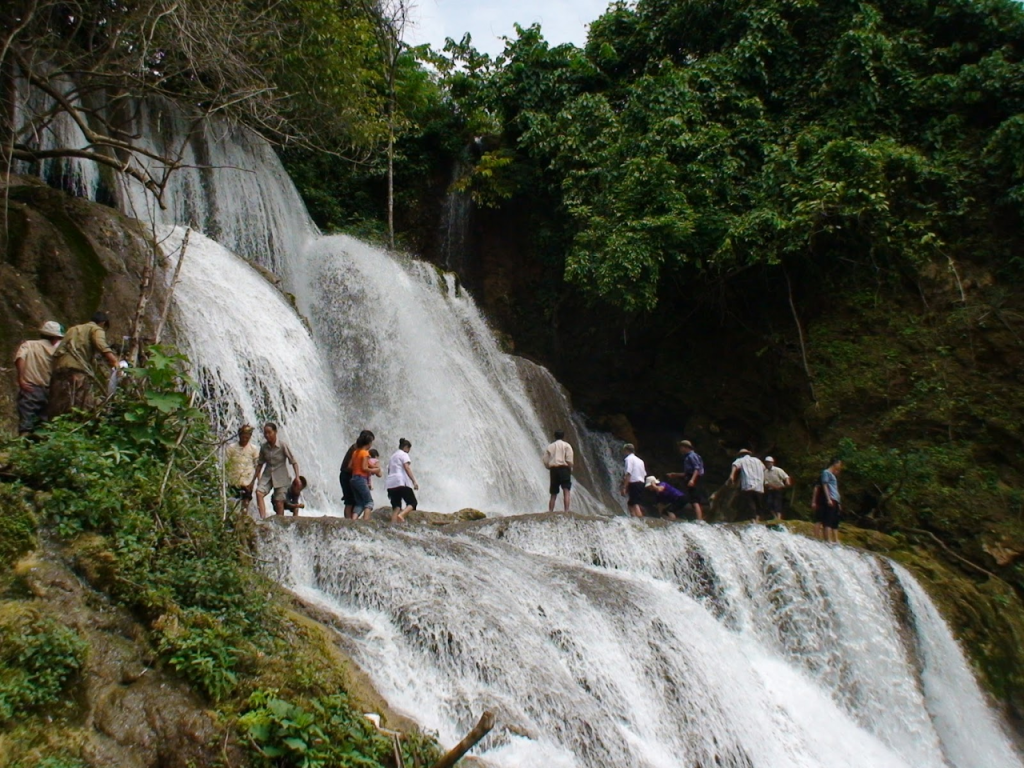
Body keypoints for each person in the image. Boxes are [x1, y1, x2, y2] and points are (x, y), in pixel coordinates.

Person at [48, 312, 120, 418]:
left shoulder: (73, 329)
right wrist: (115, 361)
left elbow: (59, 350)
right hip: (76, 368)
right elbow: (101, 345)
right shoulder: (96, 329)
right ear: (103, 323)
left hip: (61, 367)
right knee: (81, 399)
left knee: (61, 400)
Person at [13, 321, 64, 435]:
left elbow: (20, 358)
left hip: (30, 388)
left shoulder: (29, 345)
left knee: (26, 421)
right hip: (48, 390)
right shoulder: (56, 351)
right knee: (43, 424)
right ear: (54, 337)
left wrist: (21, 379)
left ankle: (21, 448)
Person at [250, 422, 300, 519]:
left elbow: (294, 462)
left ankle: (280, 523)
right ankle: (263, 519)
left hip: (281, 476)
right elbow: (260, 465)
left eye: (269, 432)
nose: (267, 435)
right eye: (265, 433)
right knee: (259, 492)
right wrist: (253, 481)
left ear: (275, 432)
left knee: (279, 501)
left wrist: (297, 477)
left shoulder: (282, 446)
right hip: (267, 475)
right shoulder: (264, 447)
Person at [667, 440, 707, 521]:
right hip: (691, 477)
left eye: (681, 447)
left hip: (694, 479)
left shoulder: (692, 456)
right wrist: (674, 474)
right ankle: (698, 519)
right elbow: (687, 473)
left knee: (695, 500)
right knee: (693, 500)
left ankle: (699, 520)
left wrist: (692, 480)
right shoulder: (688, 457)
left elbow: (697, 469)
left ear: (685, 447)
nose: (680, 449)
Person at [225, 424, 259, 513]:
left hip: (247, 482)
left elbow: (257, 466)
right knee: (231, 505)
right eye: (243, 436)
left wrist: (253, 483)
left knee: (245, 504)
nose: (245, 439)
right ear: (239, 435)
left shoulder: (253, 449)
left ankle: (243, 520)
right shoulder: (231, 448)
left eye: (247, 437)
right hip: (233, 481)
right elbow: (225, 465)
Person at [339, 430, 374, 519]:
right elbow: (353, 466)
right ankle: (349, 521)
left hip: (351, 476)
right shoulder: (358, 449)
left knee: (353, 501)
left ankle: (350, 520)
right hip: (348, 475)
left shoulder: (356, 449)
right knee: (351, 501)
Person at [349, 431, 382, 520]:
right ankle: (365, 522)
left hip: (353, 479)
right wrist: (374, 470)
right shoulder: (365, 453)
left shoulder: (355, 452)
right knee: (369, 502)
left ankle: (353, 520)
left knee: (359, 503)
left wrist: (370, 466)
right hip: (361, 479)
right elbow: (364, 467)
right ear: (368, 443)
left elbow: (350, 466)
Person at [386, 438, 420, 523]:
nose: (408, 451)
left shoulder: (392, 456)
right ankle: (401, 515)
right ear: (406, 447)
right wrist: (414, 481)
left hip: (390, 484)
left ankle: (393, 525)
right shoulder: (404, 454)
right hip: (400, 482)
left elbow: (389, 471)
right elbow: (407, 468)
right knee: (413, 503)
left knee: (396, 506)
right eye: (409, 449)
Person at [542, 429, 574, 513]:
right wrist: (570, 467)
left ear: (554, 436)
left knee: (553, 493)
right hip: (564, 468)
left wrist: (549, 466)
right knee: (566, 490)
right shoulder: (567, 446)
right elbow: (569, 459)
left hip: (554, 469)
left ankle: (550, 511)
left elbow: (545, 459)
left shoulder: (550, 446)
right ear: (563, 436)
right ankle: (566, 511)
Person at [729, 448, 765, 521]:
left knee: (750, 503)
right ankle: (758, 519)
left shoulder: (741, 460)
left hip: (748, 484)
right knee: (758, 503)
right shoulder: (758, 461)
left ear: (741, 455)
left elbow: (735, 465)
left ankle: (753, 519)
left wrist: (732, 475)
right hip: (759, 486)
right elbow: (764, 468)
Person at [814, 457, 843, 543]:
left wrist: (839, 502)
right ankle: (827, 539)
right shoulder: (826, 473)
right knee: (827, 520)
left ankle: (829, 539)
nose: (840, 466)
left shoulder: (832, 475)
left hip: (835, 498)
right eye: (839, 464)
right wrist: (828, 498)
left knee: (831, 520)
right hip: (831, 498)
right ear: (835, 463)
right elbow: (825, 485)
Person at [620, 443, 647, 518]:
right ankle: (634, 518)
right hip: (641, 483)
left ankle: (640, 520)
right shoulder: (640, 461)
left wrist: (624, 487)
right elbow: (644, 474)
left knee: (635, 503)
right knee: (631, 503)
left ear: (626, 450)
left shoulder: (629, 459)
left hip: (634, 483)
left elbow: (628, 473)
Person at [762, 456, 792, 521]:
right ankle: (774, 516)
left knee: (777, 502)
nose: (768, 464)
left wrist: (787, 482)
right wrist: (774, 487)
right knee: (769, 503)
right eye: (767, 463)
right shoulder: (765, 472)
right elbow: (766, 483)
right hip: (771, 489)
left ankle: (778, 517)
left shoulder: (777, 470)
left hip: (779, 489)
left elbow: (786, 476)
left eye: (769, 463)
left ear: (772, 463)